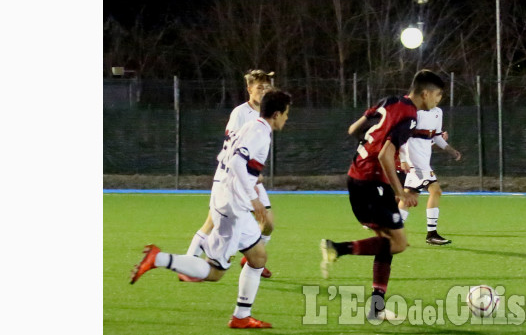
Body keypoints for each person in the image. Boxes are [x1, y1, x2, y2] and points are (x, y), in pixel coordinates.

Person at [130, 89, 292, 329]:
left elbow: (225, 157)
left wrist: (247, 185)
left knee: (258, 257)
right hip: (233, 207)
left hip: (228, 198)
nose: (287, 119)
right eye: (287, 114)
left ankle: (241, 317)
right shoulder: (260, 132)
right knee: (215, 272)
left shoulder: (251, 126)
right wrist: (253, 197)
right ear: (276, 114)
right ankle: (159, 258)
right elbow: (237, 161)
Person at [320, 69, 445, 321]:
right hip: (371, 183)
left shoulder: (390, 101)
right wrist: (402, 193)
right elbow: (384, 155)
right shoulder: (410, 116)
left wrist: (367, 146)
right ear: (426, 93)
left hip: (361, 177)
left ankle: (376, 309)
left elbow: (354, 129)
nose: (438, 101)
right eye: (438, 95)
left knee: (388, 243)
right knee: (398, 243)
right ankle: (336, 249)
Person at [182, 69, 275, 280]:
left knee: (268, 223)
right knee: (211, 222)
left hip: (249, 176)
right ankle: (187, 264)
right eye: (259, 87)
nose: (263, 91)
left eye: (267, 87)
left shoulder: (266, 114)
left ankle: (250, 259)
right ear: (249, 89)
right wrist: (248, 170)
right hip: (233, 177)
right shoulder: (240, 113)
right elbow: (231, 147)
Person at [397, 103, 462, 245]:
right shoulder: (414, 112)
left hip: (424, 161)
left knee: (409, 196)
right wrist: (403, 160)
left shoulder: (438, 111)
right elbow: (401, 137)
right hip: (415, 161)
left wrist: (451, 150)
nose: (437, 98)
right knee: (435, 190)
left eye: (439, 94)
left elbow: (437, 137)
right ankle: (431, 234)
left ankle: (393, 234)